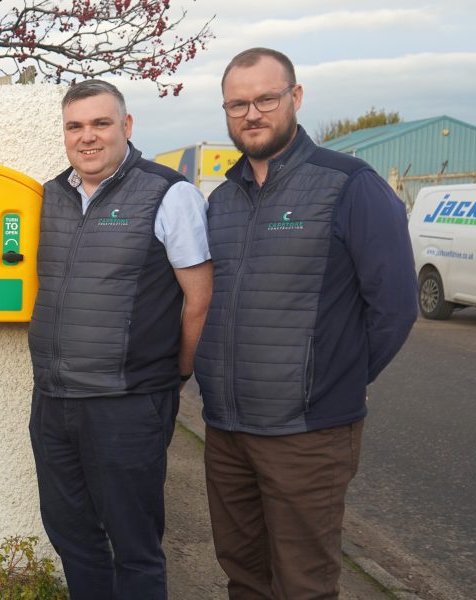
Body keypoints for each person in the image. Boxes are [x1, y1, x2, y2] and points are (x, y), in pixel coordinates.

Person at [195, 47, 418, 599]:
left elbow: (394, 307)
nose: (251, 114)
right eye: (237, 104)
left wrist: (334, 380)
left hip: (307, 434)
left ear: (295, 97)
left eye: (265, 99)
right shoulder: (221, 200)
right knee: (243, 576)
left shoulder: (350, 185)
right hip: (227, 429)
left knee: (303, 584)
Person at [27, 79, 213, 600]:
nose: (88, 137)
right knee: (73, 537)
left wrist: (174, 373)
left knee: (134, 548)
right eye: (76, 126)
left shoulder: (168, 193)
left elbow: (199, 299)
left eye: (101, 123)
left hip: (127, 403)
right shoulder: (51, 196)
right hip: (54, 400)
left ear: (126, 127)